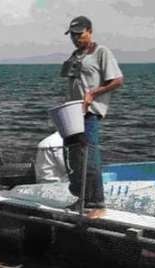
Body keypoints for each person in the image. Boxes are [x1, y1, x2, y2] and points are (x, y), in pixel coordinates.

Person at [60, 16, 124, 210]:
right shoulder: (74, 55)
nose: (75, 38)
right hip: (71, 114)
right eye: (72, 34)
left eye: (79, 34)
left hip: (89, 114)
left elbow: (117, 80)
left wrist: (93, 93)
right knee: (73, 157)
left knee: (89, 156)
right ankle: (82, 198)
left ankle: (96, 201)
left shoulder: (101, 52)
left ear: (89, 31)